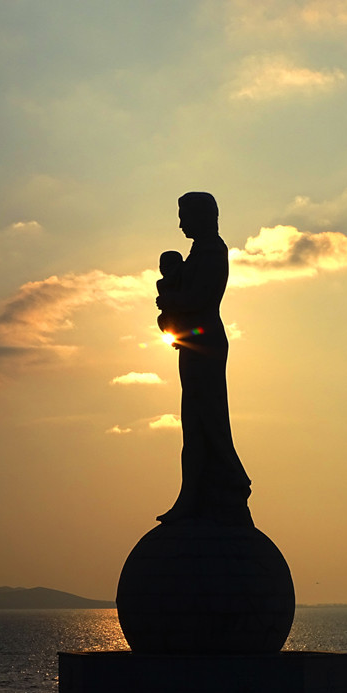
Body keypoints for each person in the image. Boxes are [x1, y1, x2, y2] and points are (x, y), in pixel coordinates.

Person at [155, 192, 252, 525]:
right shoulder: (197, 253)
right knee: (194, 422)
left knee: (206, 418)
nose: (181, 223)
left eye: (185, 215)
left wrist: (170, 298)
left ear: (202, 216)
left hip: (205, 343)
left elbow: (200, 298)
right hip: (195, 343)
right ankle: (194, 494)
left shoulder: (212, 252)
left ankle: (228, 483)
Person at [155, 250, 185, 340]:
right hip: (169, 315)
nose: (163, 269)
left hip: (179, 314)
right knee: (162, 320)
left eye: (169, 265)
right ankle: (176, 337)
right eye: (162, 266)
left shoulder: (181, 280)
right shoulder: (161, 283)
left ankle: (178, 337)